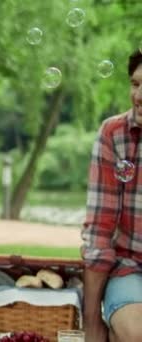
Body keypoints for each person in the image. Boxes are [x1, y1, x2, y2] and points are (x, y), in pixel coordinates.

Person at [82, 49, 142, 342]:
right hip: (131, 268)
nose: (139, 95)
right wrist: (91, 321)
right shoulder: (114, 133)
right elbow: (99, 234)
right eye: (135, 84)